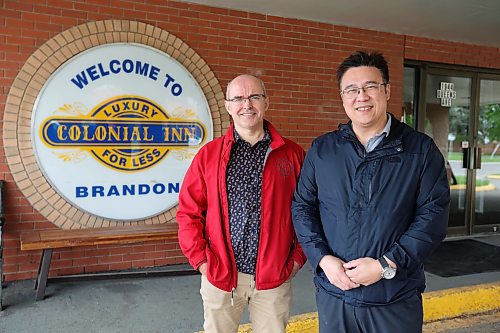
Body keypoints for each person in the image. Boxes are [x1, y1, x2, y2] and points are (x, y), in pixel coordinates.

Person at [291, 51, 450, 333]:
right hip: (334, 296)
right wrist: (323, 260)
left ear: (387, 90)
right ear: (342, 97)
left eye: (370, 87)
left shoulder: (420, 150)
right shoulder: (324, 150)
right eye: (351, 89)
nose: (361, 96)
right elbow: (303, 207)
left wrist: (386, 265)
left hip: (394, 298)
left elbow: (432, 219)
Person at [177, 74, 306, 333]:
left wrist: (296, 260)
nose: (246, 104)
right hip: (221, 275)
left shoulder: (292, 155)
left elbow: (308, 211)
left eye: (254, 96)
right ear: (228, 106)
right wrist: (202, 261)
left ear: (266, 102)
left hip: (273, 278)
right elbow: (189, 212)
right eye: (238, 98)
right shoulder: (208, 156)